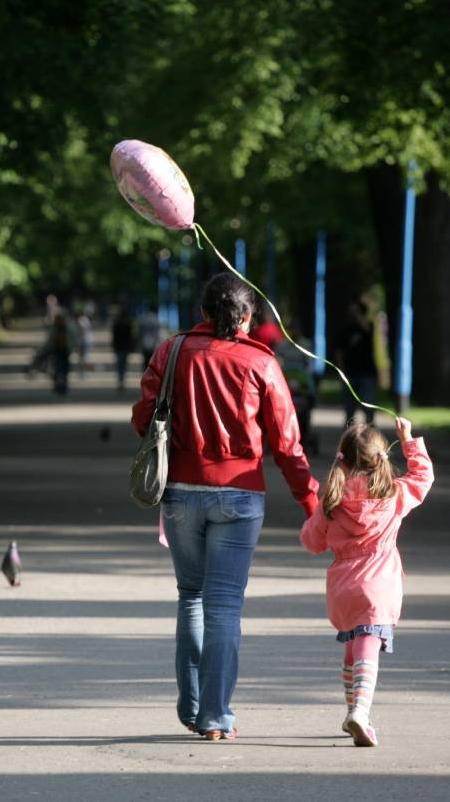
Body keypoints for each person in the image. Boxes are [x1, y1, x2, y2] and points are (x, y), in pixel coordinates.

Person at [132, 272, 319, 742]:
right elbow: (287, 445)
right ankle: (216, 717)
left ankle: (193, 706)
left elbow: (142, 419)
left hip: (180, 492)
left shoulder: (171, 352)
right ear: (248, 317)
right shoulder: (262, 363)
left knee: (190, 596)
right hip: (240, 496)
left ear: (203, 311)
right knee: (224, 607)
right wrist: (311, 500)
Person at [298, 416, 434, 748]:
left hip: (344, 589)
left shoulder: (331, 503)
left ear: (341, 460)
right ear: (380, 460)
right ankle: (360, 711)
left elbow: (311, 542)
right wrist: (408, 439)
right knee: (368, 648)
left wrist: (321, 517)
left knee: (352, 652)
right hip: (378, 584)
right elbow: (423, 476)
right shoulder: (393, 496)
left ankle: (355, 712)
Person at [338, 300, 378, 425]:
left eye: (356, 311)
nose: (353, 314)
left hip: (367, 373)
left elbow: (367, 330)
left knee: (369, 409)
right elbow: (339, 351)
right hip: (349, 373)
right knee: (349, 411)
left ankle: (371, 438)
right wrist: (341, 370)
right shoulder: (345, 329)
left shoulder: (368, 325)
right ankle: (349, 439)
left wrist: (359, 316)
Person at [48, 311, 75, 395]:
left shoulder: (67, 328)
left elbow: (72, 339)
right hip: (56, 351)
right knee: (57, 370)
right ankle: (57, 386)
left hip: (65, 351)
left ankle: (63, 386)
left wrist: (71, 348)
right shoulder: (54, 329)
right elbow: (50, 340)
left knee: (64, 370)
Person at [110, 308, 135, 392]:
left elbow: (113, 336)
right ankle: (122, 380)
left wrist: (113, 345)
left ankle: (120, 380)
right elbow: (131, 336)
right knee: (124, 364)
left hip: (118, 346)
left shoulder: (116, 323)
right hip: (125, 347)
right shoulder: (128, 324)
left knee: (119, 364)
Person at [75, 304, 94, 378]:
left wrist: (78, 342)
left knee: (82, 358)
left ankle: (83, 373)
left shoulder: (81, 320)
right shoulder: (85, 319)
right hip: (87, 340)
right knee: (84, 357)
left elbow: (81, 331)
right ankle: (83, 373)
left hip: (84, 341)